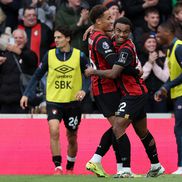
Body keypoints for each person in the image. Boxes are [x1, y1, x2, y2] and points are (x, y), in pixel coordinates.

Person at [85, 16, 165, 177]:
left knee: (118, 127)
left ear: (130, 33)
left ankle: (125, 171)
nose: (121, 35)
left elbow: (114, 73)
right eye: (118, 31)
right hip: (133, 92)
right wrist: (92, 28)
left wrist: (93, 72)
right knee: (142, 132)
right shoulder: (114, 39)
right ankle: (156, 165)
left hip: (133, 94)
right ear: (114, 30)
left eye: (126, 32)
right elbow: (106, 33)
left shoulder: (126, 49)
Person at [20, 26, 90, 175]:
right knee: (54, 130)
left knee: (72, 136)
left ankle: (70, 168)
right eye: (55, 38)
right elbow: (37, 75)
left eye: (59, 37)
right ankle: (57, 167)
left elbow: (90, 76)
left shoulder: (80, 56)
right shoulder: (49, 55)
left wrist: (84, 90)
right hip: (53, 100)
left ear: (68, 38)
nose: (56, 40)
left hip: (73, 103)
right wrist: (26, 93)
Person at [85, 5, 132, 178]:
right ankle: (104, 162)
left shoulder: (94, 34)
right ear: (98, 21)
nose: (111, 21)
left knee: (118, 127)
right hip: (105, 87)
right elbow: (114, 63)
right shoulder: (101, 40)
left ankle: (112, 165)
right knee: (119, 126)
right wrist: (133, 68)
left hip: (104, 88)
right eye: (108, 18)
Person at [154, 21, 182, 174]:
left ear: (168, 32)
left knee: (180, 130)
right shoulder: (170, 50)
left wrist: (167, 86)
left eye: (159, 32)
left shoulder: (179, 48)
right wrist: (163, 89)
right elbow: (175, 76)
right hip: (178, 96)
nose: (157, 35)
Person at [0, 28, 38, 113]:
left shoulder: (30, 54)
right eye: (15, 38)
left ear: (26, 40)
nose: (18, 40)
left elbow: (33, 62)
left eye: (20, 38)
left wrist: (20, 52)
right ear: (11, 40)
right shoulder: (4, 55)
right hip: (4, 102)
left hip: (22, 102)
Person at [140, 33, 169, 113]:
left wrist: (154, 63)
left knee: (161, 120)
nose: (152, 44)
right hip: (144, 96)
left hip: (160, 95)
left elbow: (166, 78)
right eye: (149, 42)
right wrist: (149, 62)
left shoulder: (163, 57)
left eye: (154, 42)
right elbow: (140, 78)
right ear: (144, 44)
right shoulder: (139, 58)